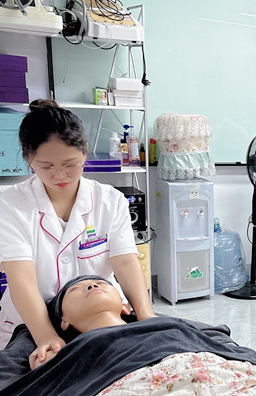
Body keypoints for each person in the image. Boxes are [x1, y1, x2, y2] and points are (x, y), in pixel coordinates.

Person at [0, 100, 153, 367]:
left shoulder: (109, 201)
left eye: (70, 164)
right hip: (31, 325)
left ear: (84, 152)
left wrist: (145, 314)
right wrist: (46, 336)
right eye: (47, 166)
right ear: (28, 159)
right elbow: (20, 277)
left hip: (100, 320)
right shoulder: (11, 204)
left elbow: (125, 262)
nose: (60, 174)